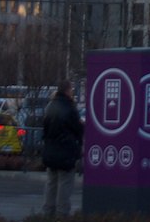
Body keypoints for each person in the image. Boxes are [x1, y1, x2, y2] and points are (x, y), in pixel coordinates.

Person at [41, 80, 85, 217]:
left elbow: (45, 130)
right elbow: (78, 130)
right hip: (66, 152)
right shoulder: (70, 108)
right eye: (71, 89)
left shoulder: (50, 107)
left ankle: (47, 214)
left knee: (51, 184)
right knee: (64, 186)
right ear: (67, 90)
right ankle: (61, 215)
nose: (72, 92)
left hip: (50, 152)